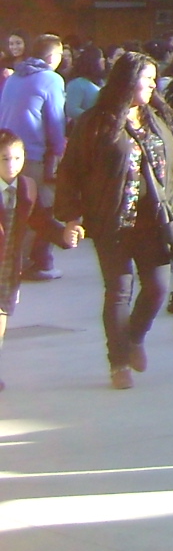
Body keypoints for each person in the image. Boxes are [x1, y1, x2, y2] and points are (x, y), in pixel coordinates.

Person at [54, 52, 173, 390]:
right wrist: (72, 217)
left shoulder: (159, 118)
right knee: (119, 291)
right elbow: (70, 172)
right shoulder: (95, 122)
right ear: (127, 80)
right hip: (112, 221)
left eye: (154, 79)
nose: (153, 85)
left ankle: (133, 338)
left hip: (156, 220)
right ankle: (118, 363)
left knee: (158, 287)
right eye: (146, 79)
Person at [0, 128, 81, 389]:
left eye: (17, 158)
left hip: (8, 266)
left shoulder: (27, 187)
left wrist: (63, 236)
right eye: (4, 159)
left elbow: (40, 221)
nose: (12, 165)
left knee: (2, 314)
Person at [0, 35, 67, 283]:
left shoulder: (14, 77)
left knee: (12, 208)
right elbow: (56, 120)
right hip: (32, 154)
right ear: (52, 57)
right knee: (39, 209)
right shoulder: (51, 79)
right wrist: (59, 153)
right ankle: (32, 263)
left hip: (6, 150)